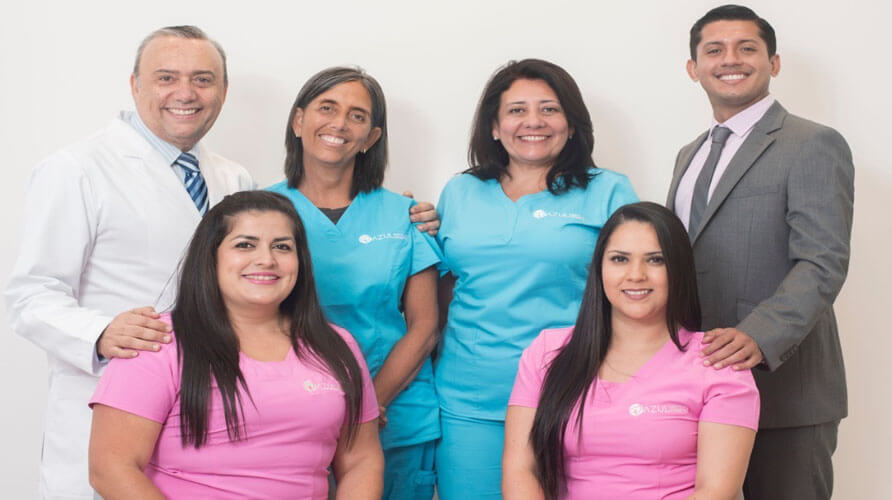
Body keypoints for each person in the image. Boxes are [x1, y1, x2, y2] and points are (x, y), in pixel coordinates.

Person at [3, 26, 255, 499]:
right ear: (134, 84)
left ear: (223, 91)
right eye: (166, 77)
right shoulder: (76, 168)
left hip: (207, 408)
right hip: (105, 401)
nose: (185, 93)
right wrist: (100, 333)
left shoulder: (232, 176)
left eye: (203, 79)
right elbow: (30, 295)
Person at [665, 5, 854, 499]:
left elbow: (822, 262)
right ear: (693, 68)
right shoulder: (690, 154)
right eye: (715, 50)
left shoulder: (812, 143)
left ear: (773, 62)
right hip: (696, 390)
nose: (732, 59)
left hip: (784, 392)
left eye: (747, 48)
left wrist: (759, 336)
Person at [88, 191, 383, 498]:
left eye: (282, 247)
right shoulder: (156, 341)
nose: (266, 260)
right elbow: (110, 468)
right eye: (245, 245)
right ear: (211, 255)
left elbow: (361, 461)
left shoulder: (335, 345)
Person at [434, 58, 638, 499]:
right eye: (516, 110)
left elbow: (635, 293)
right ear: (493, 125)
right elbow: (443, 288)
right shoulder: (460, 192)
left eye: (549, 109)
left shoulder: (608, 191)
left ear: (571, 123)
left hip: (573, 394)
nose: (533, 122)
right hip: (471, 399)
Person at [503, 202, 759, 499]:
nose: (635, 275)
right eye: (620, 259)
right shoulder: (547, 352)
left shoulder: (719, 362)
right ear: (599, 268)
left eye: (655, 260)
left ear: (679, 270)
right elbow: (520, 468)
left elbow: (715, 491)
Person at [266, 67, 441, 500]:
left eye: (357, 116)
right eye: (327, 108)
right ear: (298, 121)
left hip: (394, 414)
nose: (340, 124)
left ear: (372, 137)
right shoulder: (260, 211)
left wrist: (368, 405)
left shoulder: (403, 214)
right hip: (293, 415)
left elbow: (425, 326)